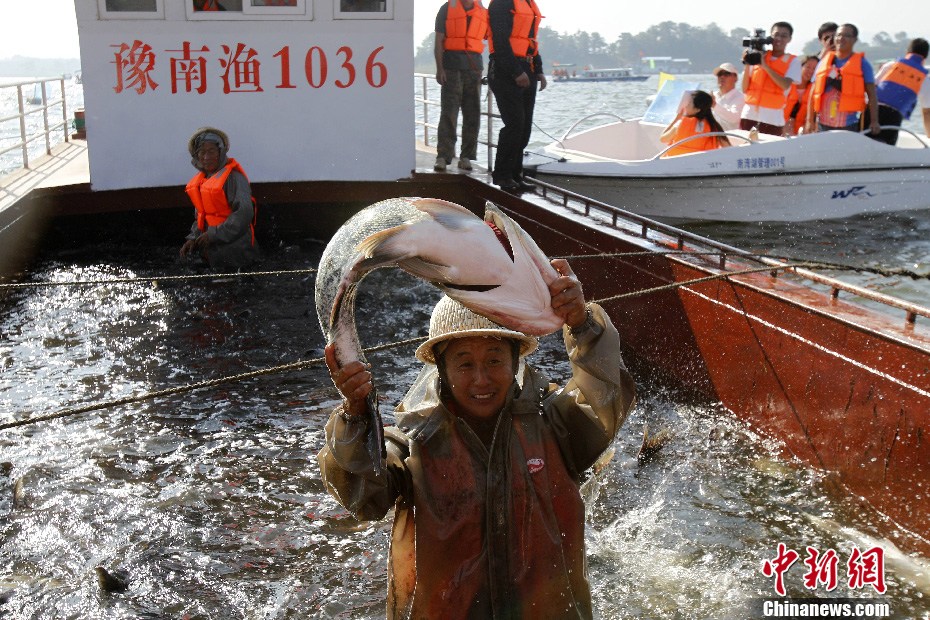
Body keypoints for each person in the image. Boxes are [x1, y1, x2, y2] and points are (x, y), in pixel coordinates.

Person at [318, 259, 636, 619]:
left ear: (515, 361)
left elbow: (605, 398)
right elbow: (363, 495)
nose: (482, 380)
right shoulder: (413, 443)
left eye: (495, 360)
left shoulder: (555, 424)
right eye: (465, 364)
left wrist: (583, 325)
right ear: (441, 367)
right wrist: (355, 414)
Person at [488, 0, 547, 192]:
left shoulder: (528, 4)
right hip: (506, 70)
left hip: (527, 67)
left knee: (525, 127)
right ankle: (502, 176)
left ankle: (515, 175)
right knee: (515, 124)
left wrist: (538, 70)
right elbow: (500, 42)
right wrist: (515, 72)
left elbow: (530, 41)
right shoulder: (501, 4)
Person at [181, 127, 258, 270]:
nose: (206, 157)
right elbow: (201, 217)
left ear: (221, 152)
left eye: (211, 151)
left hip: (236, 256)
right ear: (196, 156)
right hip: (211, 254)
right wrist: (192, 239)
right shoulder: (202, 182)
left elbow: (244, 214)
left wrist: (214, 235)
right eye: (202, 152)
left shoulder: (234, 178)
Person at [433, 0, 489, 173]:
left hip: (474, 69)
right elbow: (438, 41)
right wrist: (440, 69)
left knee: (472, 115)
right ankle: (443, 156)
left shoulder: (483, 12)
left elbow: (493, 39)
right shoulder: (446, 9)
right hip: (451, 68)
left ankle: (466, 157)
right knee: (449, 113)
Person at [805, 24, 880, 135]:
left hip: (849, 126)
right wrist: (809, 121)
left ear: (855, 40)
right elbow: (813, 93)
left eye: (847, 35)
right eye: (838, 35)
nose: (841, 38)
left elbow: (872, 95)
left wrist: (874, 121)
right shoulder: (823, 62)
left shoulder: (863, 64)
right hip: (822, 125)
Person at [739, 21, 801, 136]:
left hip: (773, 118)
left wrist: (765, 66)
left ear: (789, 39)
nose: (779, 39)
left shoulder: (793, 61)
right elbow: (744, 88)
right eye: (776, 35)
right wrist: (748, 63)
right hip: (749, 115)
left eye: (784, 36)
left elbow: (785, 85)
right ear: (770, 37)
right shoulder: (759, 56)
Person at [865, 38, 929, 145]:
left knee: (864, 141)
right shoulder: (924, 78)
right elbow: (927, 112)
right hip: (893, 115)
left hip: (871, 109)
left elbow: (872, 87)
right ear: (925, 57)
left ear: (907, 52)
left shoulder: (891, 65)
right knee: (886, 147)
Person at [660, 90, 731, 157]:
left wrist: (677, 118)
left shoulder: (680, 124)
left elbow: (662, 139)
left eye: (689, 103)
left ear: (697, 110)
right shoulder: (713, 126)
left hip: (675, 163)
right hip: (700, 164)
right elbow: (728, 147)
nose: (686, 106)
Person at [784, 55, 819, 135]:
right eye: (808, 67)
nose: (811, 71)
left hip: (801, 132)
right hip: (780, 127)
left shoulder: (814, 90)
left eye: (814, 69)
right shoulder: (787, 84)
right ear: (801, 67)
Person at [711, 62, 745, 132]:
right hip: (713, 137)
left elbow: (734, 118)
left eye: (726, 74)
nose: (722, 77)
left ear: (735, 78)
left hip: (732, 139)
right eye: (719, 74)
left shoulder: (740, 98)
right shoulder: (712, 96)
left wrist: (714, 105)